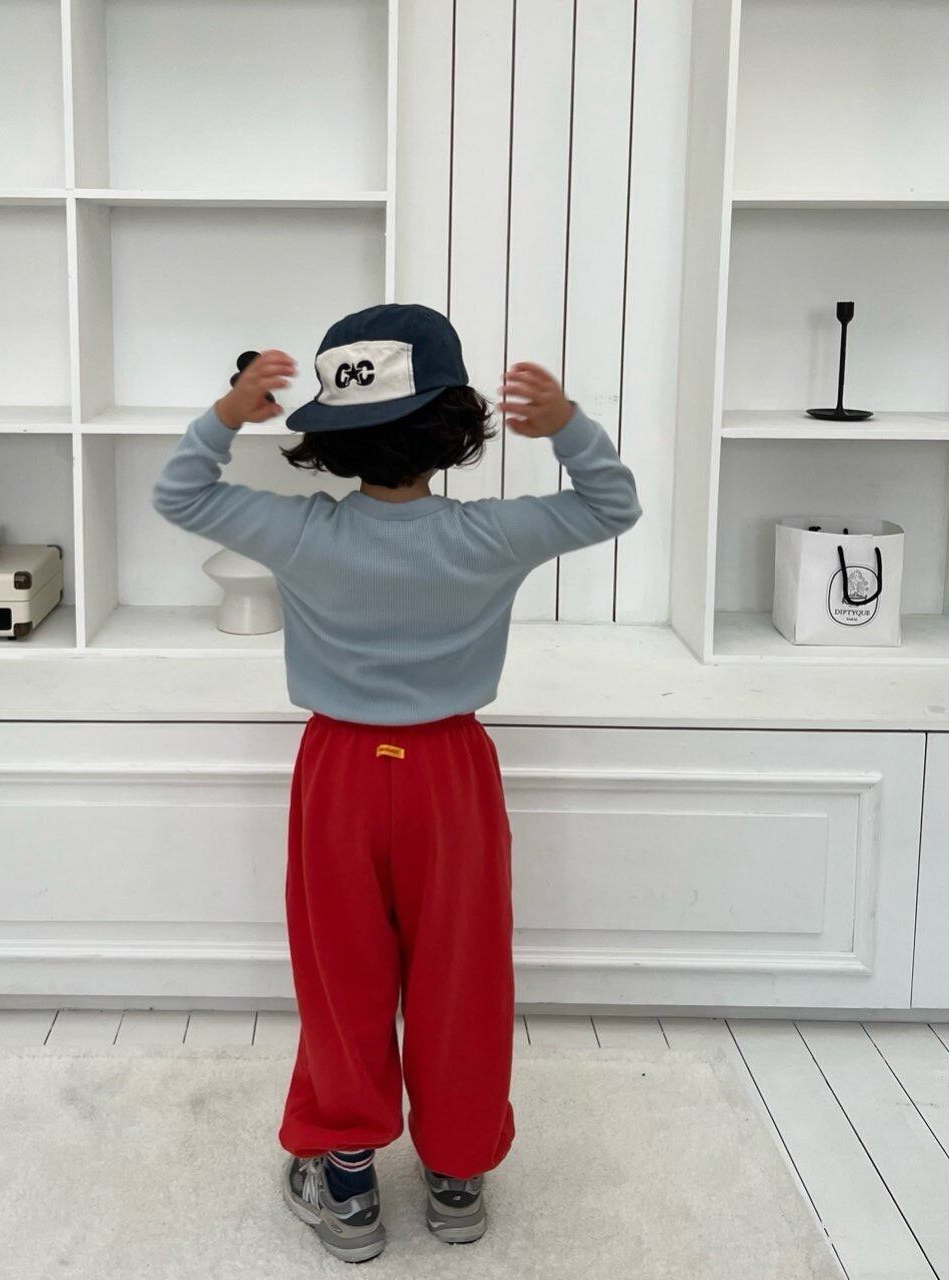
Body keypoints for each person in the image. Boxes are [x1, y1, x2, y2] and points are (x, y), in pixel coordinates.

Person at [151, 303, 642, 1263]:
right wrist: (568, 426)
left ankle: (347, 1181)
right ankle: (456, 1175)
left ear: (333, 437)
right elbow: (610, 506)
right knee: (463, 972)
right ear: (454, 428)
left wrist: (230, 412)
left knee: (342, 976)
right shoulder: (490, 536)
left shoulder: (298, 533)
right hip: (450, 775)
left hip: (339, 772)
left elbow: (182, 493)